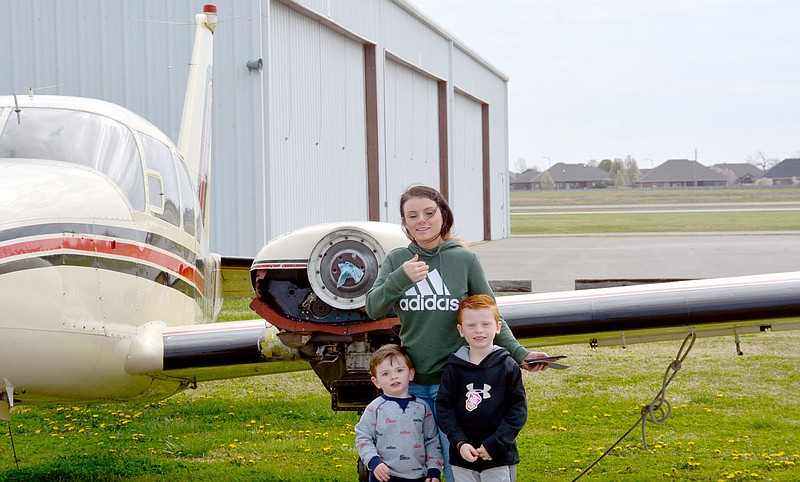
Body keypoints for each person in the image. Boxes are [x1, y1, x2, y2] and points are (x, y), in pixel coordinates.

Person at [365, 185, 547, 481]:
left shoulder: (464, 260)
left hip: (455, 381)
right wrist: (400, 279)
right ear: (405, 222)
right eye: (412, 215)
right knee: (415, 461)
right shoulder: (398, 260)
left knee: (454, 462)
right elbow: (373, 307)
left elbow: (490, 314)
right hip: (410, 384)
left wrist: (520, 354)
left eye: (428, 213)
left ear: (443, 215)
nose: (421, 220)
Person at [436, 294, 527, 481]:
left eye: (486, 324)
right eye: (471, 325)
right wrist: (459, 442)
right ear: (460, 330)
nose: (479, 330)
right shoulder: (453, 368)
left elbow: (517, 411)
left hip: (498, 456)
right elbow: (444, 409)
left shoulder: (508, 366)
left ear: (498, 327)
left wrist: (495, 443)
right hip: (463, 456)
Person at [355, 344, 443, 482]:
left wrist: (434, 470)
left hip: (419, 476)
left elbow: (432, 441)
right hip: (384, 476)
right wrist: (373, 462)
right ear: (376, 381)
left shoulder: (422, 407)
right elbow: (363, 438)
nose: (394, 377)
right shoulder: (375, 408)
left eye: (399, 370)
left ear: (411, 374)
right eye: (385, 374)